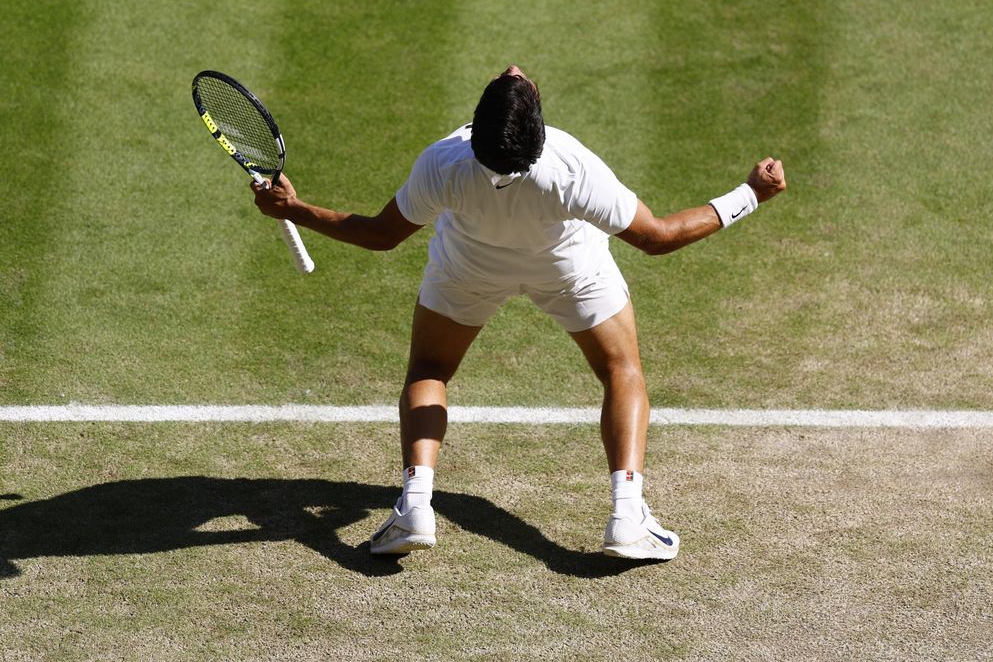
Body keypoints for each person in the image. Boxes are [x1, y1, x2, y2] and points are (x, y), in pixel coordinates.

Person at [252, 64, 786, 561]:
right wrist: (751, 194)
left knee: (430, 372)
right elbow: (659, 237)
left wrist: (295, 209)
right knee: (621, 370)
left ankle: (415, 506)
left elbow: (379, 235)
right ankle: (627, 519)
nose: (513, 69)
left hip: (468, 271)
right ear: (538, 130)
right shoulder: (572, 165)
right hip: (571, 270)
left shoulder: (445, 160)